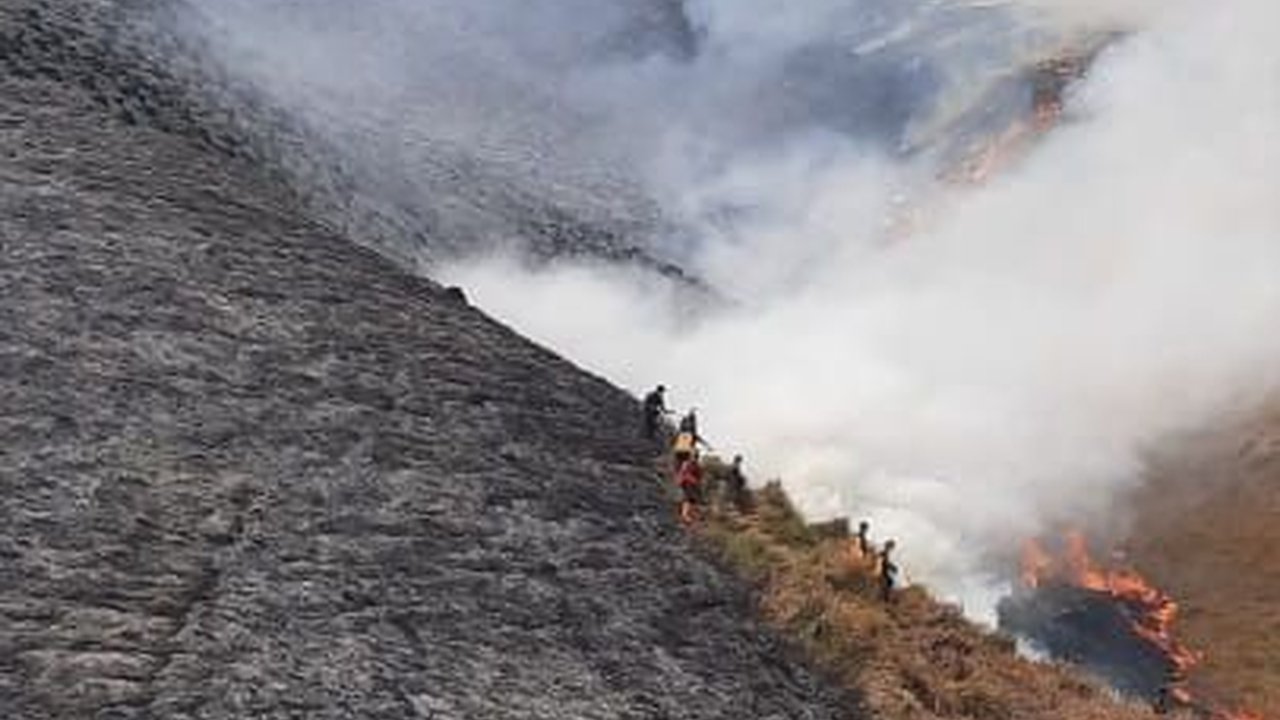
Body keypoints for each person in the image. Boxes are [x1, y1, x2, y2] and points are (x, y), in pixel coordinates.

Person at [676, 456, 704, 525]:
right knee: (688, 500)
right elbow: (683, 473)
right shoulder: (687, 464)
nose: (694, 458)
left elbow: (699, 476)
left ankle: (688, 515)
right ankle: (685, 516)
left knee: (691, 500)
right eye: (694, 457)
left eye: (696, 457)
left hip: (691, 484)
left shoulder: (695, 465)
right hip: (687, 483)